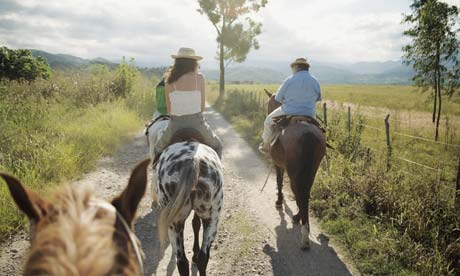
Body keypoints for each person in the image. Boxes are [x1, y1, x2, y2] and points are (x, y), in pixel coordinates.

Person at [153, 47, 223, 158]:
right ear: (193, 63)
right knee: (218, 146)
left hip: (175, 125)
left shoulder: (169, 81)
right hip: (198, 124)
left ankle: (156, 173)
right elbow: (202, 108)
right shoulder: (199, 78)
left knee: (157, 150)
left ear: (177, 63)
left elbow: (170, 110)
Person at [259, 57, 322, 153]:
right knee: (320, 130)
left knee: (267, 121)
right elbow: (318, 98)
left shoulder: (289, 80)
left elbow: (278, 98)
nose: (292, 70)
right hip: (309, 113)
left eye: (293, 68)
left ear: (296, 67)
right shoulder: (315, 81)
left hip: (288, 111)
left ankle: (266, 144)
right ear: (306, 68)